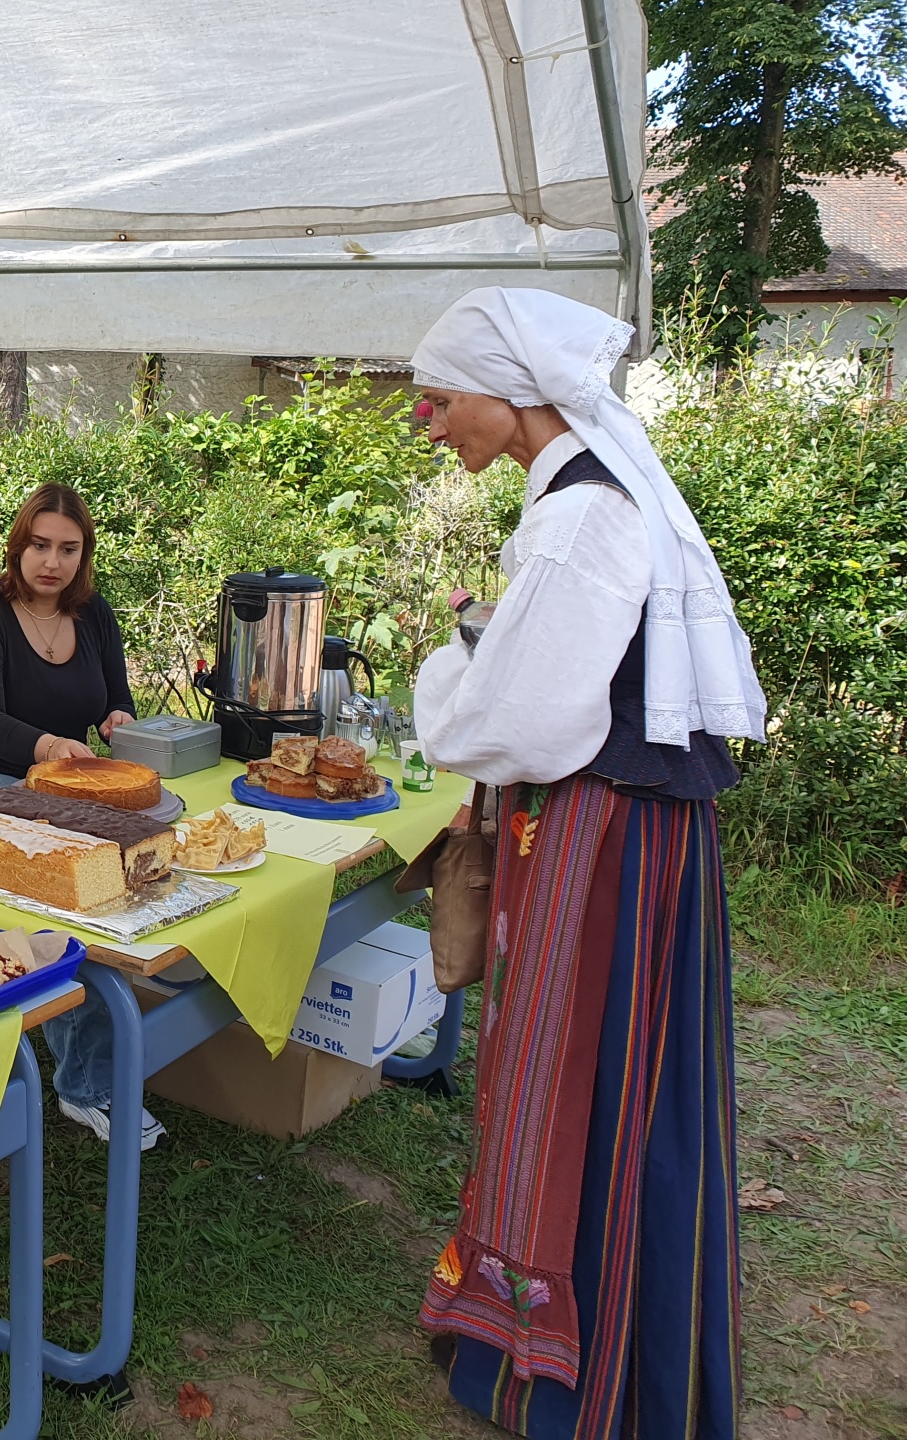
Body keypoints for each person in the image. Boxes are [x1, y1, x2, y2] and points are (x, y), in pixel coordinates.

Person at [409, 287, 762, 1439]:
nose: (431, 421)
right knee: (584, 1075)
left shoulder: (580, 517)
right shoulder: (577, 500)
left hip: (607, 840)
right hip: (621, 831)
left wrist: (440, 680)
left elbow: (512, 718)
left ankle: (588, 1376)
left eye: (443, 397)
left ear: (511, 397)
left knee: (592, 1081)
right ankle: (542, 1343)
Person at [0, 483, 160, 1151]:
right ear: (18, 545)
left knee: (131, 865)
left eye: (67, 548)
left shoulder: (94, 616)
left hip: (67, 785)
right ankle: (87, 1085)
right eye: (39, 545)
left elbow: (117, 699)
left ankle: (93, 1047)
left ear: (84, 554)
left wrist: (119, 720)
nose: (51, 562)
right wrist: (48, 746)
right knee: (62, 884)